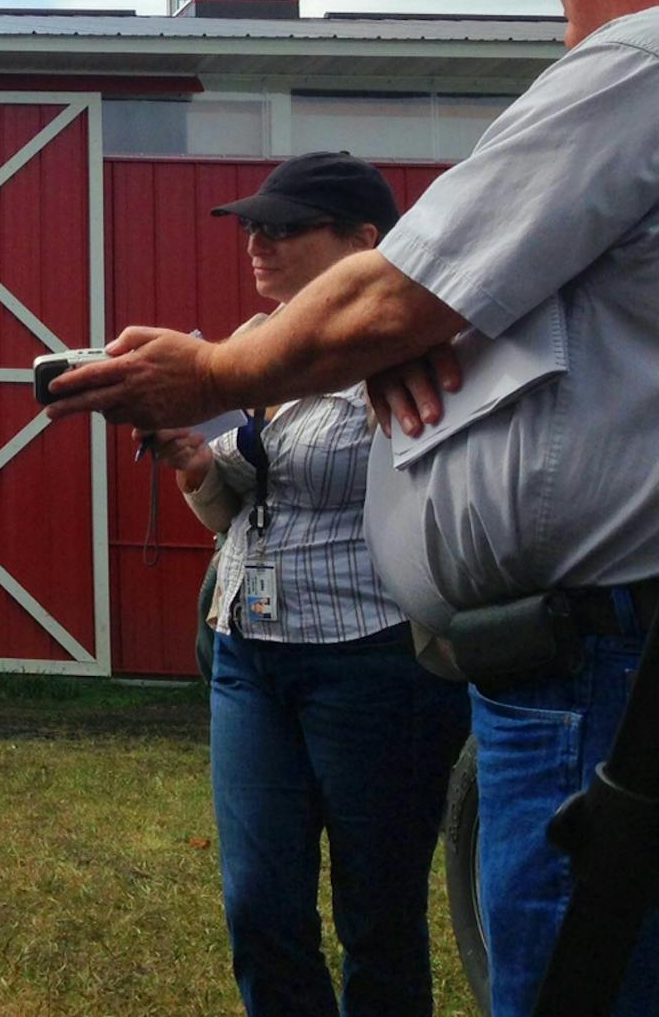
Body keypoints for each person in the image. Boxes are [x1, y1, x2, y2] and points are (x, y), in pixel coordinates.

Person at [48, 0, 659, 1015]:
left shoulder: (636, 64)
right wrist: (374, 338)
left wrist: (280, 352)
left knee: (540, 969)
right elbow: (413, 311)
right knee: (277, 905)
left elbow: (400, 298)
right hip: (486, 657)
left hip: (568, 661)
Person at [144, 153, 468, 1016]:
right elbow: (246, 504)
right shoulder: (259, 348)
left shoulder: (416, 352)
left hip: (374, 660)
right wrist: (195, 463)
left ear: (365, 242)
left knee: (379, 918)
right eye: (253, 225)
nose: (257, 241)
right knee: (261, 907)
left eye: (284, 226)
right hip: (250, 652)